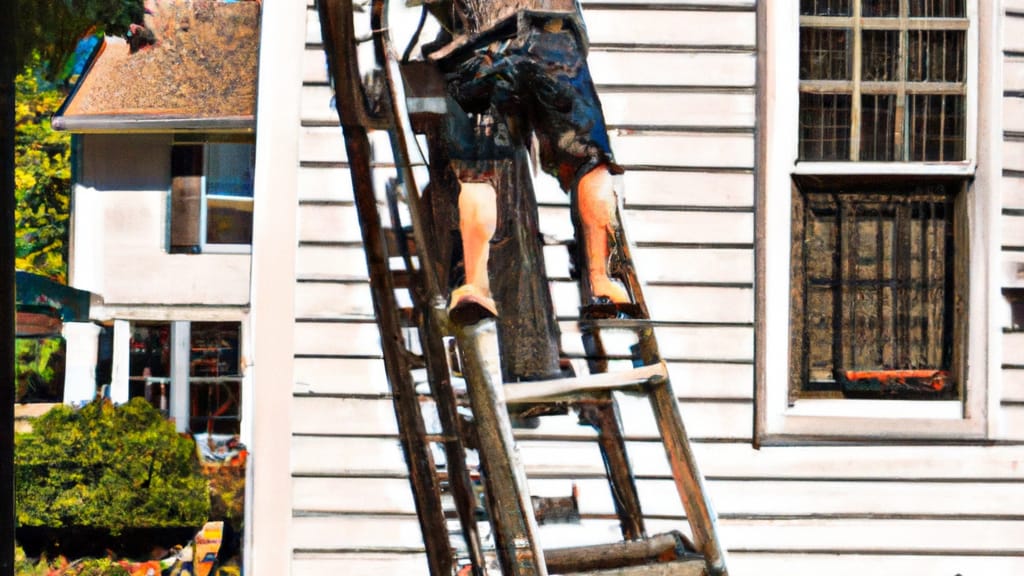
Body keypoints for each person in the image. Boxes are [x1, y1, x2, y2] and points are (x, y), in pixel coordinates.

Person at [420, 0, 630, 322]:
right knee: (589, 162)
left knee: (477, 172)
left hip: (477, 49)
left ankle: (475, 285)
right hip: (552, 37)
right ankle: (601, 280)